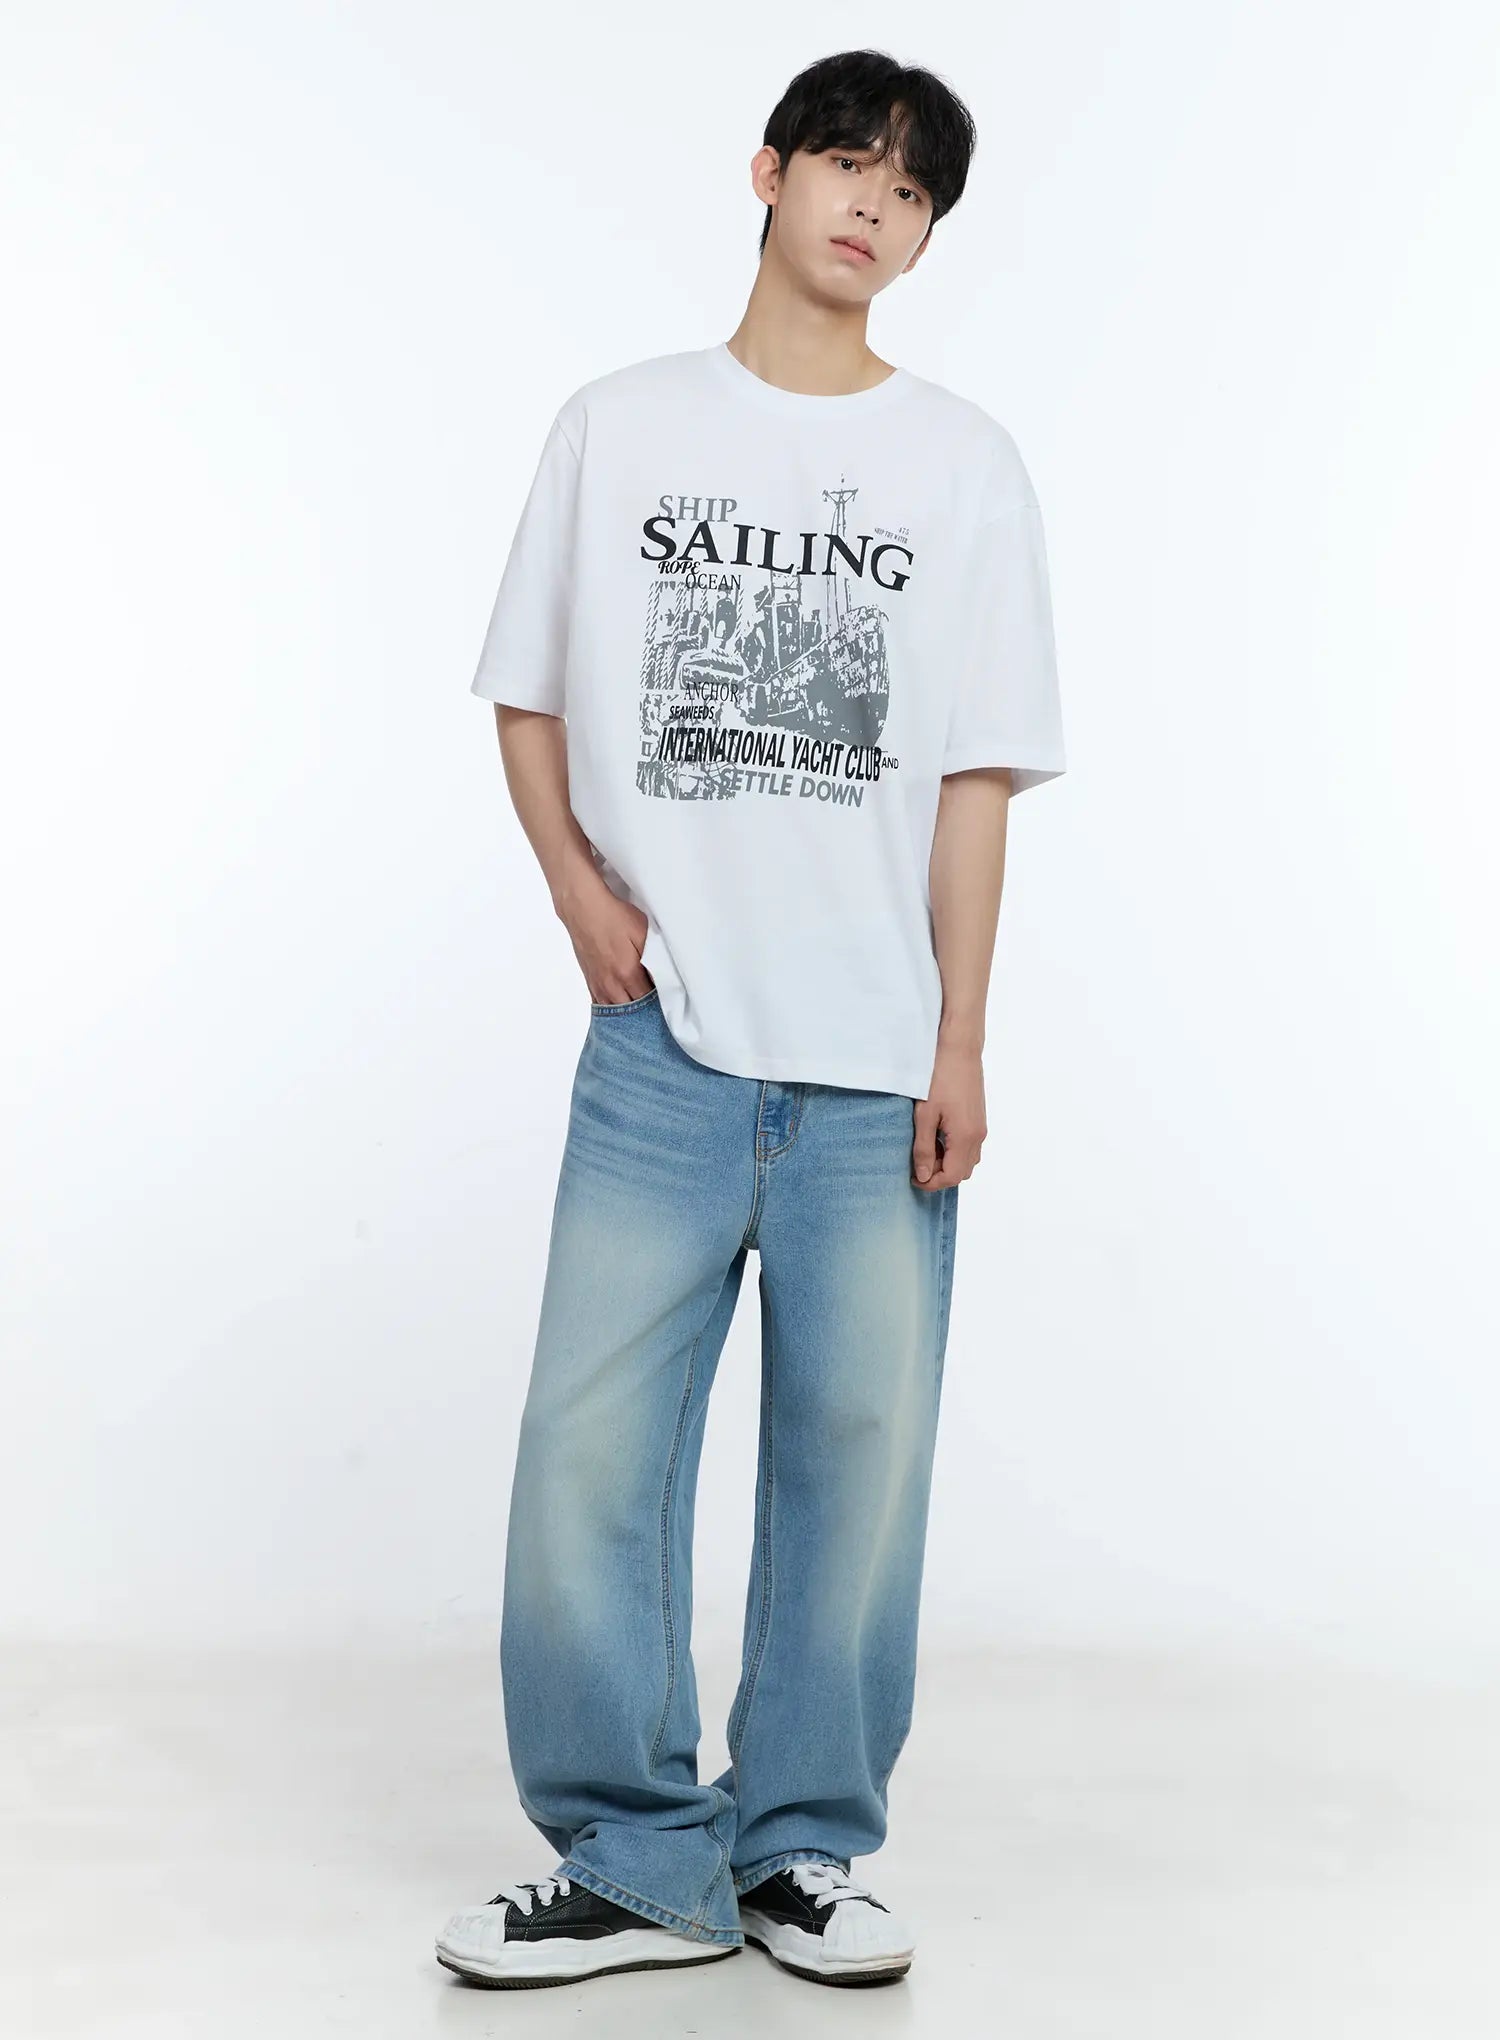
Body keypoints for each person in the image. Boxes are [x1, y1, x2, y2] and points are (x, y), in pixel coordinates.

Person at [434, 45, 1066, 1994]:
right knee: (589, 1456)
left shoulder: (965, 466)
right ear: (773, 171)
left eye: (916, 191)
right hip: (666, 1047)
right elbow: (529, 692)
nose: (877, 205)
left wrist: (964, 1039)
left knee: (856, 1466)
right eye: (851, 163)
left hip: (877, 1061)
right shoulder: (621, 429)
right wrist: (578, 895)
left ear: (928, 237)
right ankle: (636, 1859)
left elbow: (974, 778)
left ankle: (799, 1849)